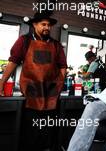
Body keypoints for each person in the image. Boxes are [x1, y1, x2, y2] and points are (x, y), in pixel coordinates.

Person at [0, 12, 67, 151]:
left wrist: (59, 85)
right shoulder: (24, 41)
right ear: (34, 24)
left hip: (51, 91)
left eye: (48, 25)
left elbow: (62, 67)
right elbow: (13, 62)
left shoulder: (56, 45)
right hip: (31, 90)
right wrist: (1, 83)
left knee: (47, 131)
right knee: (31, 131)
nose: (47, 27)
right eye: (43, 24)